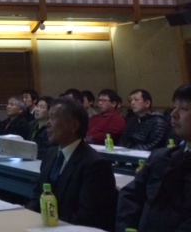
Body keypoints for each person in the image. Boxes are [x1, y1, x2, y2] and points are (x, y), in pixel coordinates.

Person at [26, 97, 118, 231]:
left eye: (52, 118)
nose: (47, 124)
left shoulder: (95, 165)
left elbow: (88, 217)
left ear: (73, 125)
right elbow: (37, 195)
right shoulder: (51, 154)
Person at [116, 84, 191, 231]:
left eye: (183, 108)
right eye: (174, 107)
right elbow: (131, 194)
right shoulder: (161, 157)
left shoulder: (157, 123)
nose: (173, 114)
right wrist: (126, 226)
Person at [30, 95, 54, 160]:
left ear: (49, 111)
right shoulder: (31, 125)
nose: (37, 109)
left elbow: (46, 152)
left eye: (41, 107)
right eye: (37, 106)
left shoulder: (51, 129)